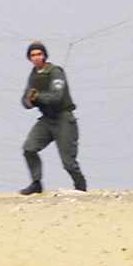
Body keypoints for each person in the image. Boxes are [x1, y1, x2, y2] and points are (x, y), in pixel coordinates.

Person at [19, 41, 87, 195]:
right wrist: (29, 101)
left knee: (68, 162)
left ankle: (81, 187)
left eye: (39, 54)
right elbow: (25, 98)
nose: (36, 58)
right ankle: (36, 183)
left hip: (63, 118)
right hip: (47, 120)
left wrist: (38, 97)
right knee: (29, 148)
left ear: (44, 56)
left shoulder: (55, 72)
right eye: (33, 55)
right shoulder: (33, 75)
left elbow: (56, 96)